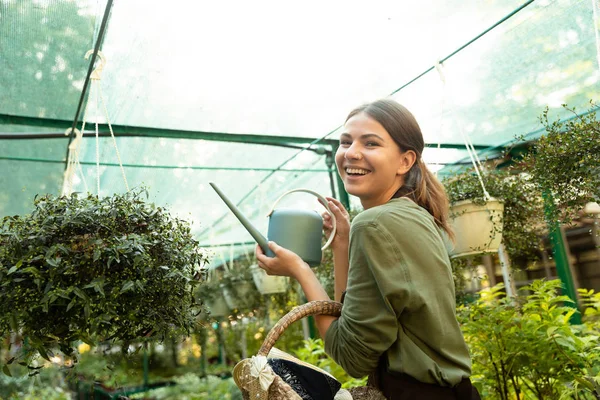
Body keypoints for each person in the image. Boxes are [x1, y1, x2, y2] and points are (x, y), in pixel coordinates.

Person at [256, 98, 480, 400]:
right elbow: (350, 323)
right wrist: (342, 243)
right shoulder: (411, 214)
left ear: (405, 161)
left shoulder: (376, 222)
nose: (352, 153)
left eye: (371, 144)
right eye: (345, 142)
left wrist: (300, 270)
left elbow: (351, 356)